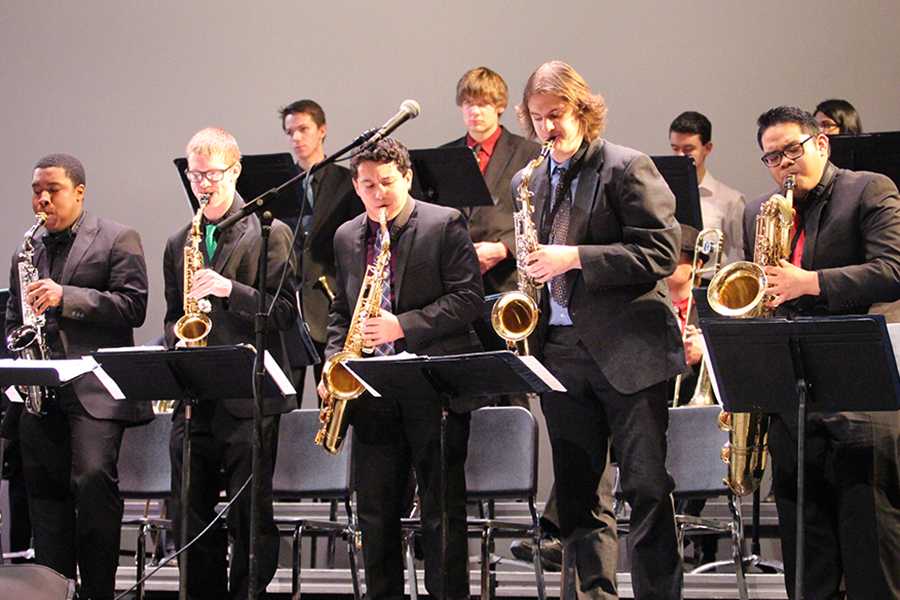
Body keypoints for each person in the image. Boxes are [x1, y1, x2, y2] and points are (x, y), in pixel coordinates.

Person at [516, 61, 684, 599]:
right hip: (562, 350)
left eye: (557, 115)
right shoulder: (531, 179)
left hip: (629, 351)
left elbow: (661, 251)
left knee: (647, 487)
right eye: (538, 118)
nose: (548, 128)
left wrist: (575, 258)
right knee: (578, 493)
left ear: (583, 110)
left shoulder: (627, 167)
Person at [744, 106, 900, 599]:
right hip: (793, 399)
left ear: (822, 144)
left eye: (792, 150)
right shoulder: (758, 211)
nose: (784, 164)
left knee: (871, 548)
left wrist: (809, 283)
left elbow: (893, 270)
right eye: (772, 157)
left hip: (862, 396)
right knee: (806, 559)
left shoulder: (869, 189)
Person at [318, 137, 484, 600]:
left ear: (407, 178)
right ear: (355, 185)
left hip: (434, 389)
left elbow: (469, 300)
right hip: (372, 391)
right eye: (368, 185)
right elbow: (341, 309)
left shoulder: (444, 223)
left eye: (388, 183)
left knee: (441, 512)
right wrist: (335, 359)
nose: (380, 194)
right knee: (375, 512)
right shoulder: (348, 235)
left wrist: (401, 326)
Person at [4, 153, 150, 599]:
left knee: (90, 484)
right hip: (41, 393)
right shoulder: (26, 250)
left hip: (93, 391)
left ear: (80, 192)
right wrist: (18, 339)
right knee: (44, 497)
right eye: (36, 191)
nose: (42, 200)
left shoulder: (118, 238)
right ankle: (53, 590)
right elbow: (13, 316)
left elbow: (133, 306)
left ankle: (99, 592)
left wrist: (66, 296)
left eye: (53, 190)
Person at [163, 127, 298, 599]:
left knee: (249, 515)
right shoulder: (181, 240)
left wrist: (227, 290)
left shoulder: (271, 231)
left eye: (212, 174)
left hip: (248, 398)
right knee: (188, 512)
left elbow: (282, 312)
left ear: (235, 171)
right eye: (194, 174)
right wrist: (175, 343)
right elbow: (171, 316)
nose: (202, 183)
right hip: (196, 398)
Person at [279, 100, 362, 384]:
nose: (296, 138)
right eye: (290, 132)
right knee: (285, 398)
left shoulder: (345, 180)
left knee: (331, 388)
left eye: (303, 129)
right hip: (290, 304)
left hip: (330, 299)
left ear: (322, 130)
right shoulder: (280, 184)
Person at [443, 66, 540, 294]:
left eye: (483, 104)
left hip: (508, 278)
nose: (474, 111)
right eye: (468, 104)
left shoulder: (530, 153)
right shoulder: (445, 156)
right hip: (456, 283)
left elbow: (543, 215)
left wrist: (505, 248)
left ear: (500, 106)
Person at [669, 110, 745, 267]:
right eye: (675, 148)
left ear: (707, 148)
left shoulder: (731, 200)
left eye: (688, 149)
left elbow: (744, 253)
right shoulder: (662, 195)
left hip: (708, 285)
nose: (680, 156)